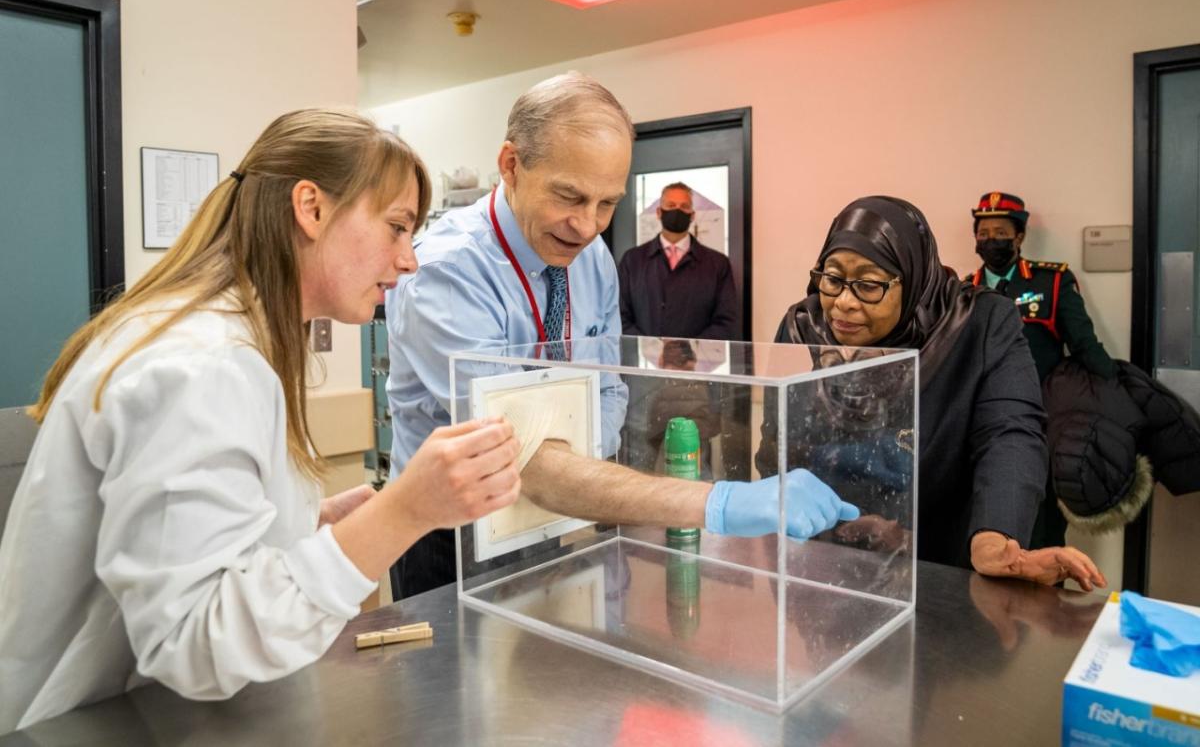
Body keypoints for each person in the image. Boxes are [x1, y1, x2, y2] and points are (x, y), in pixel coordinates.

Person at [0, 109, 525, 733]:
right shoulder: (205, 364)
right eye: (395, 228)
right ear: (311, 208)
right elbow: (197, 641)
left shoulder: (224, 336)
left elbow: (194, 548)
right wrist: (402, 515)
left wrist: (304, 528)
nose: (408, 260)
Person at [386, 72, 858, 598]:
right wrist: (714, 502)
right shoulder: (447, 272)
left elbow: (609, 390)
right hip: (451, 540)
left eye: (607, 203)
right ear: (511, 165)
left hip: (554, 521)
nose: (587, 226)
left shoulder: (592, 262)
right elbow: (518, 456)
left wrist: (581, 483)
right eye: (570, 196)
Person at [764, 194, 1107, 590]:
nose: (843, 303)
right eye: (833, 278)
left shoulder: (975, 323)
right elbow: (778, 442)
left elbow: (1010, 433)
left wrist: (996, 534)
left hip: (937, 562)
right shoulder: (803, 326)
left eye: (869, 285)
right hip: (824, 558)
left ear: (911, 280)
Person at [966, 191, 1116, 548]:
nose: (991, 241)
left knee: (1042, 527)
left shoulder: (1051, 282)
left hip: (1042, 420)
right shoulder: (962, 289)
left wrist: (1116, 391)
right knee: (988, 515)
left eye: (1000, 232)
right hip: (982, 422)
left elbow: (1084, 345)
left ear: (1018, 237)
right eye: (983, 233)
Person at [617, 182, 738, 340]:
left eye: (684, 206)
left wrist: (690, 350)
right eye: (671, 205)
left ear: (692, 215)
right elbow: (620, 316)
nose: (677, 211)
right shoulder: (632, 260)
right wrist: (649, 347)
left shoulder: (718, 264)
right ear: (659, 212)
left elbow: (726, 321)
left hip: (697, 361)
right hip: (643, 361)